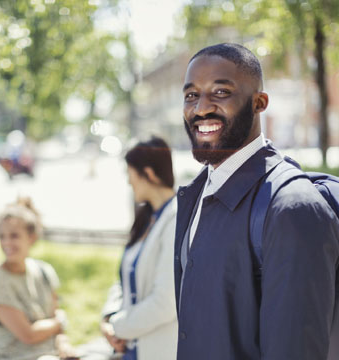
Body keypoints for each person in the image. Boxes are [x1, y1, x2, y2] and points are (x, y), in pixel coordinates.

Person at [174, 43, 339, 359]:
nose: (201, 108)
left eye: (220, 93)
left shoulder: (291, 208)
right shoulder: (195, 195)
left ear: (259, 102)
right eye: (191, 95)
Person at [101, 136, 178, 360]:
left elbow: (165, 303)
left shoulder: (175, 220)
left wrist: (118, 327)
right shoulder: (147, 217)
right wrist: (109, 316)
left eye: (130, 173)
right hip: (130, 348)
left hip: (157, 350)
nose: (128, 181)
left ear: (149, 173)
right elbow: (124, 277)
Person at [0, 198, 78, 360]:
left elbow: (54, 316)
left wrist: (63, 342)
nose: (6, 242)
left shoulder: (44, 271)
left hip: (52, 354)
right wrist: (59, 321)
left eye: (14, 236)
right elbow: (29, 335)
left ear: (32, 238)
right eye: (2, 236)